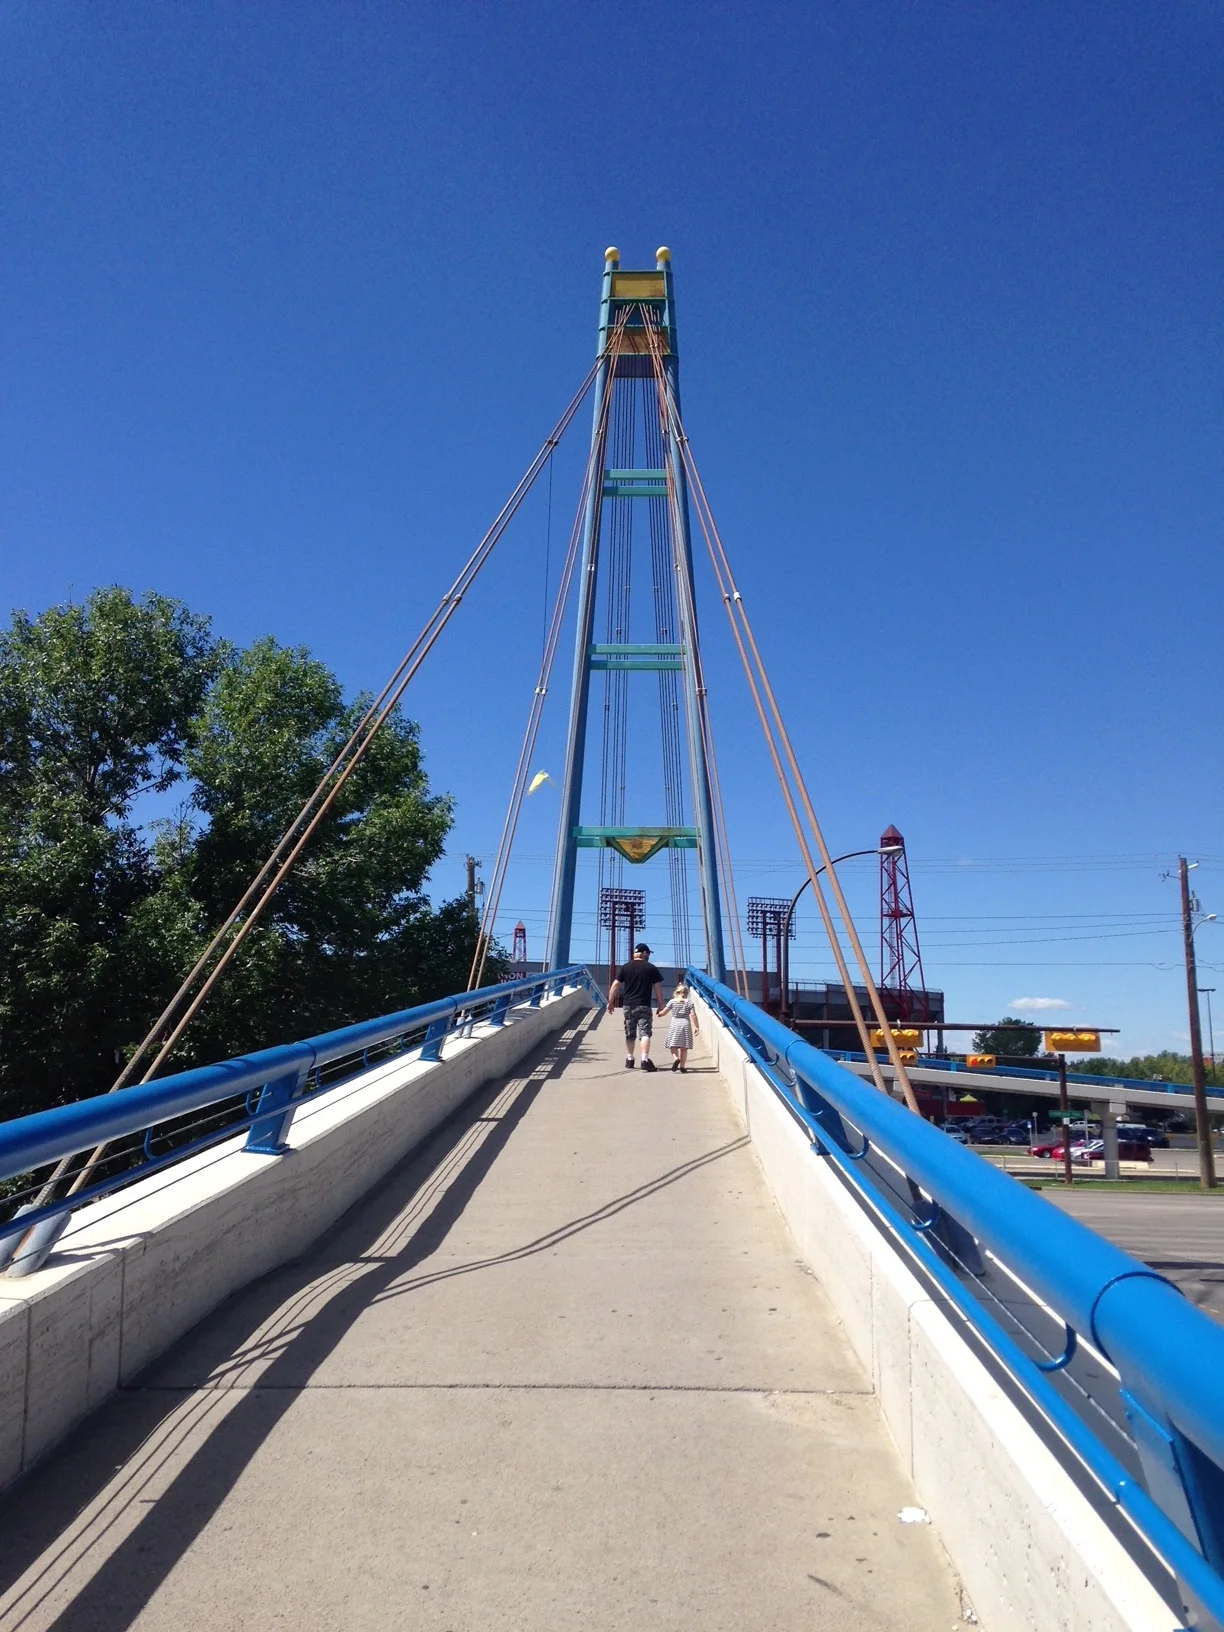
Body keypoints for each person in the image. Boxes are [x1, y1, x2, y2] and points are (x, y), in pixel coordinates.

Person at [608, 942, 665, 1072]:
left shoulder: (625, 967)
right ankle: (644, 1060)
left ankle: (630, 1059)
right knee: (645, 1033)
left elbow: (615, 985)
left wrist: (610, 1002)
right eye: (648, 953)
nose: (649, 955)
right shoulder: (651, 968)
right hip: (644, 1005)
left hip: (628, 1005)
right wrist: (661, 1004)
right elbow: (657, 988)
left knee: (629, 1034)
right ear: (644, 953)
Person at [661, 983, 699, 1072]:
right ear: (686, 993)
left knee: (673, 1045)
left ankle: (675, 1059)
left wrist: (659, 1014)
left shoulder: (672, 1001)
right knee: (684, 1048)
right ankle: (682, 1066)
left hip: (675, 1024)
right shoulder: (689, 1003)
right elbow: (693, 1015)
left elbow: (664, 1012)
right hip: (685, 1024)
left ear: (676, 992)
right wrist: (696, 1026)